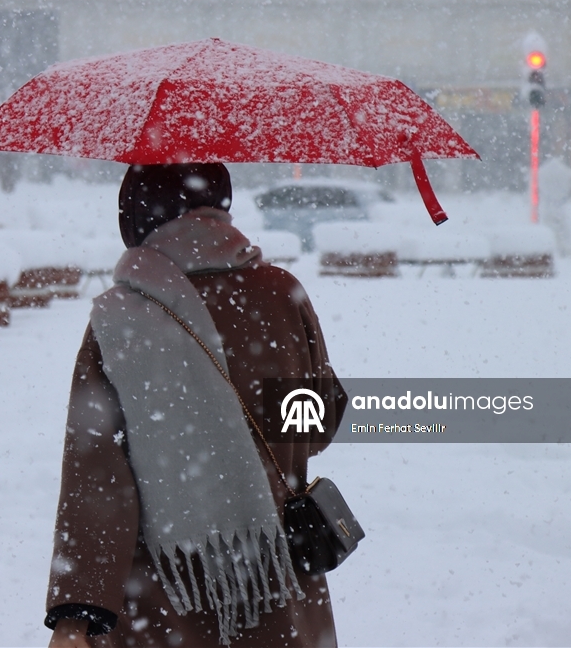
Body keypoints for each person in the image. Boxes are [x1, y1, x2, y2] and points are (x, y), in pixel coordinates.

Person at [45, 163, 348, 647]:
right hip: (278, 582)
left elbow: (98, 476)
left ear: (137, 218)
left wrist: (77, 613)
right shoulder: (279, 295)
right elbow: (313, 428)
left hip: (164, 600)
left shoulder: (120, 320)